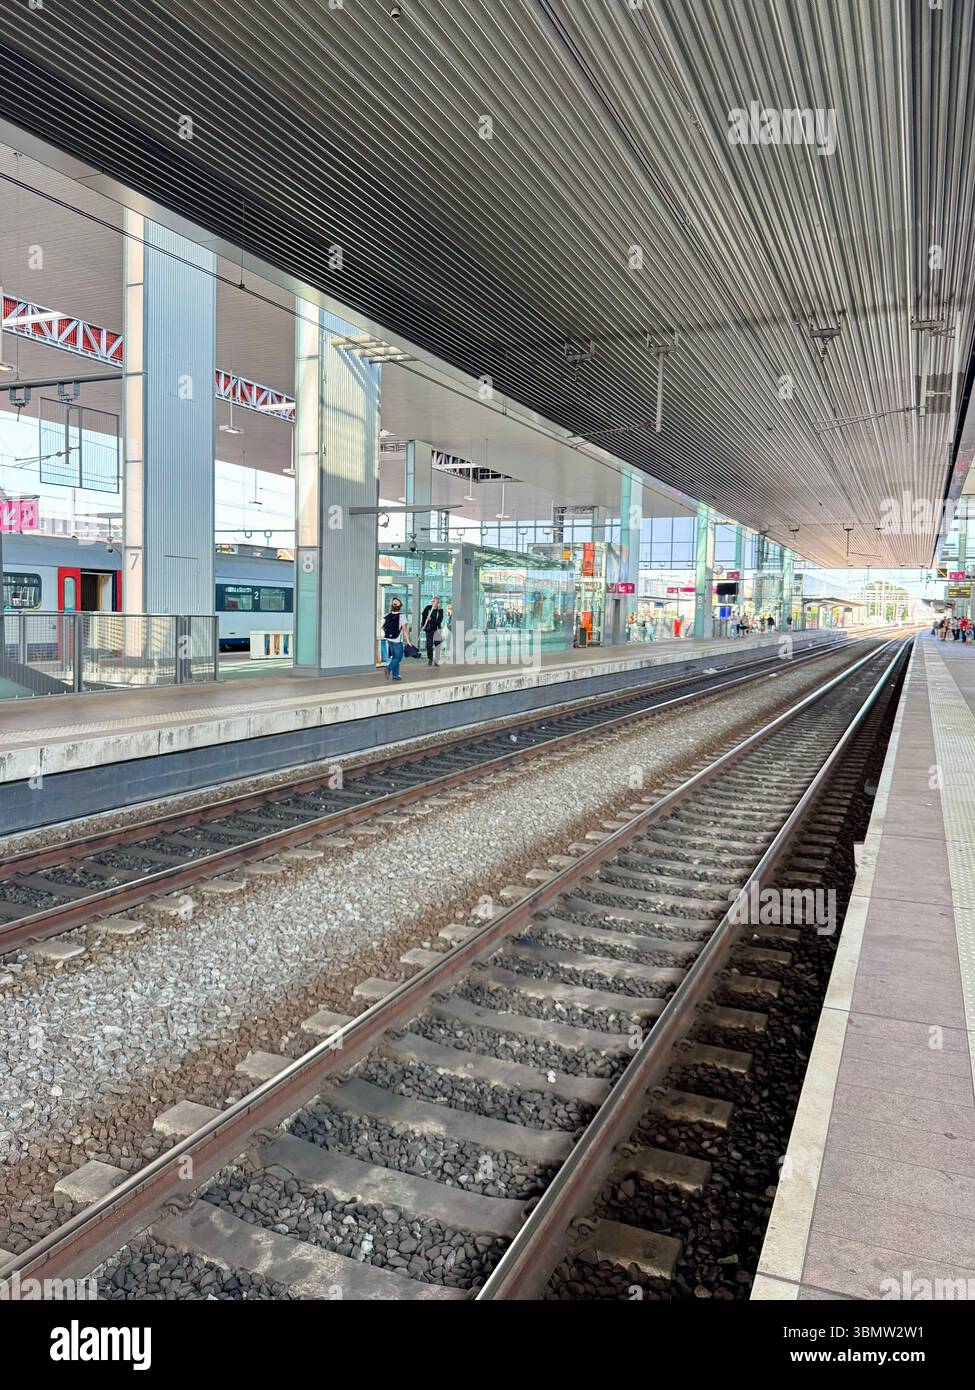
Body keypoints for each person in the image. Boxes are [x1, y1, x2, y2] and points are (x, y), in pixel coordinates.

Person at [382, 598, 409, 680]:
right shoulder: (402, 616)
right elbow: (404, 630)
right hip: (397, 640)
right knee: (398, 658)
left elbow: (383, 627)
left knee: (394, 657)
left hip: (389, 640)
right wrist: (408, 641)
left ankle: (395, 675)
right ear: (400, 606)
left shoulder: (389, 615)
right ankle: (388, 668)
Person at [420, 595, 444, 667]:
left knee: (437, 645)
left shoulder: (440, 610)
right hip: (429, 630)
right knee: (429, 645)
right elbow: (424, 617)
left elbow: (439, 621)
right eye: (432, 601)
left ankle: (436, 661)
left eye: (434, 601)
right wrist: (422, 625)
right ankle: (430, 659)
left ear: (438, 603)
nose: (432, 602)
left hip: (437, 630)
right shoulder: (428, 608)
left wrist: (431, 619)